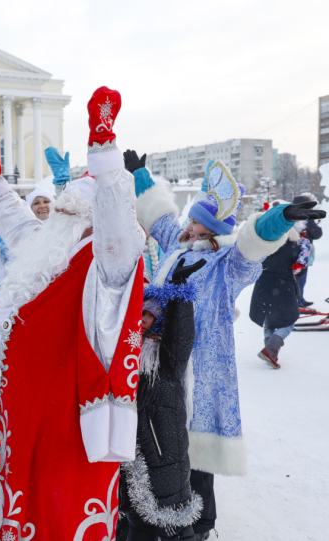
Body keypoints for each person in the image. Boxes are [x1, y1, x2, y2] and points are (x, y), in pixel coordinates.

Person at [0, 88, 146, 541]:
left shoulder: (106, 258)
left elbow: (118, 218)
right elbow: (18, 224)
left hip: (68, 414)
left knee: (60, 508)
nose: (54, 210)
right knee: (17, 500)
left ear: (88, 213)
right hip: (17, 409)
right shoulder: (50, 246)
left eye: (67, 207)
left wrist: (104, 154)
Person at [130, 150, 325, 539]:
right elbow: (160, 216)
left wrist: (280, 217)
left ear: (212, 230)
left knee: (196, 443)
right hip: (157, 356)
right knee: (159, 435)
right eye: (191, 222)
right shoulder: (176, 244)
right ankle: (153, 507)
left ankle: (202, 523)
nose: (189, 228)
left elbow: (252, 245)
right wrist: (139, 174)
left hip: (201, 361)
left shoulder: (226, 266)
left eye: (199, 225)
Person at [117, 258, 206, 541]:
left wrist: (179, 294)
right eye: (138, 313)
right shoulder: (126, 353)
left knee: (174, 520)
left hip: (164, 449)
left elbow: (181, 337)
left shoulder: (166, 361)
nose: (141, 319)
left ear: (161, 321)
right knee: (136, 520)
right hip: (131, 451)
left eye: (148, 314)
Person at [248, 203, 308, 369]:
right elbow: (300, 269)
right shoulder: (296, 246)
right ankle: (271, 348)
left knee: (269, 319)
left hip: (262, 285)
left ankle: (271, 351)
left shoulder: (265, 243)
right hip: (283, 286)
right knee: (289, 319)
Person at [291, 194, 323, 307]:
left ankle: (300, 299)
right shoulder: (305, 219)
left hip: (297, 253)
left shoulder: (290, 216)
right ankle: (297, 302)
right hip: (300, 254)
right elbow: (317, 233)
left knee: (299, 279)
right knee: (299, 279)